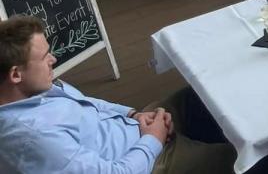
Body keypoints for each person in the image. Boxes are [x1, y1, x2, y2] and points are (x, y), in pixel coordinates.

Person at [0, 16, 234, 173]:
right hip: (146, 162)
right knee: (240, 158)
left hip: (132, 127)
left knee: (201, 98)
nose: (54, 60)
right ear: (15, 75)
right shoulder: (34, 139)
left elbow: (88, 103)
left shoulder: (34, 87)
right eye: (45, 57)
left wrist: (134, 115)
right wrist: (153, 139)